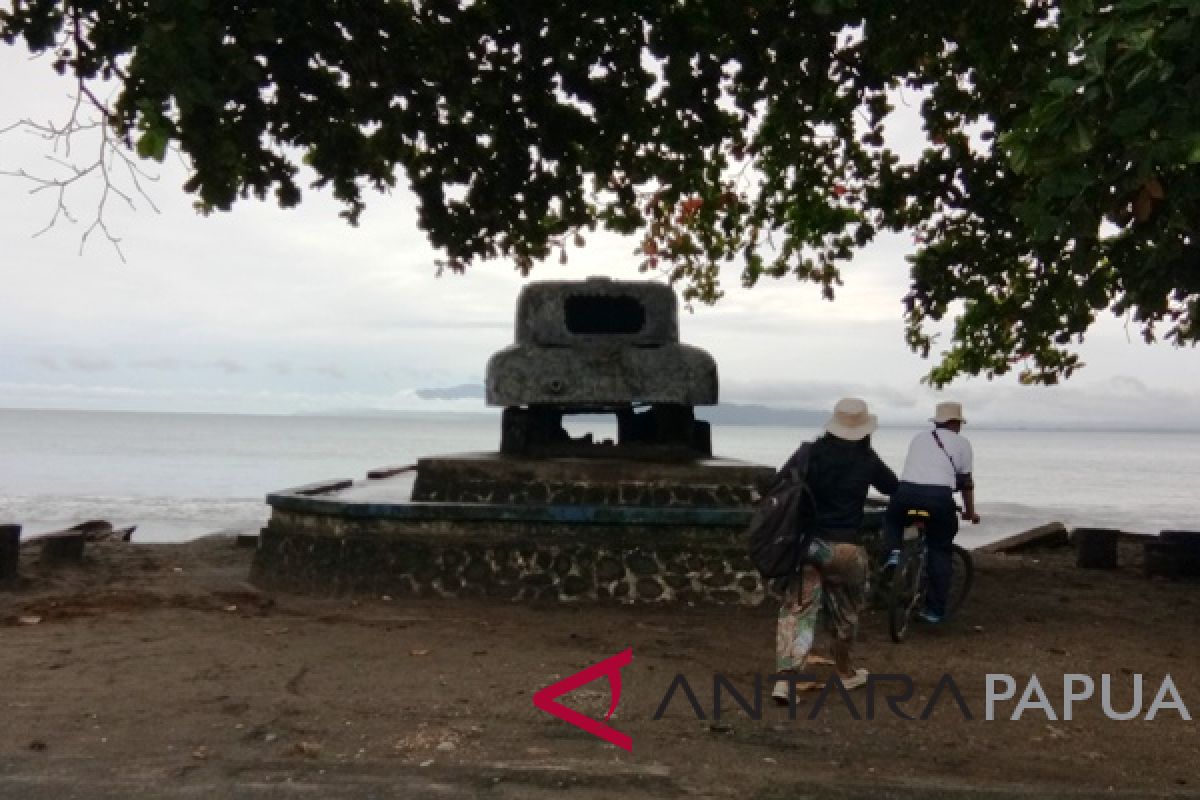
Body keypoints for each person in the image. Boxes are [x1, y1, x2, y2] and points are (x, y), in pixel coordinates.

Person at [772, 397, 897, 703]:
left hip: (807, 545)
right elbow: (893, 486)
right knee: (847, 612)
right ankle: (845, 672)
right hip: (845, 548)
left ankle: (786, 683)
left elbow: (780, 483)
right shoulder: (867, 460)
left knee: (797, 611)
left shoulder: (810, 453)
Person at [882, 400, 981, 624]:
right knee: (939, 548)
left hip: (905, 493)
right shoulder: (963, 444)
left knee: (892, 518)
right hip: (938, 499)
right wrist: (969, 512)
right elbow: (965, 483)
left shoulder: (918, 439)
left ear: (937, 422)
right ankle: (934, 610)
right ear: (956, 423)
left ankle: (895, 553)